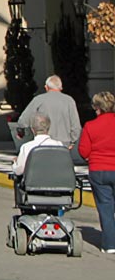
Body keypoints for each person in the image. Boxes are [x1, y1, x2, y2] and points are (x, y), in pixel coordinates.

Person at [80, 91, 115, 253]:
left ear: (97, 108)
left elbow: (84, 151)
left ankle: (110, 244)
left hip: (99, 170)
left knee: (105, 207)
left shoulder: (90, 126)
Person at [18, 75, 82, 149]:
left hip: (43, 144)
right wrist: (72, 141)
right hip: (64, 144)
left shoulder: (39, 100)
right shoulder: (69, 101)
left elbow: (23, 121)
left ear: (46, 87)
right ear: (61, 87)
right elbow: (76, 126)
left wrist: (21, 132)